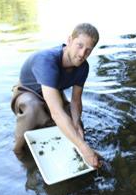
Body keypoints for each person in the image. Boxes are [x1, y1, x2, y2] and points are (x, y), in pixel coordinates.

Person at [11, 23, 102, 168]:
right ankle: (19, 154)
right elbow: (57, 112)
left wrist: (77, 122)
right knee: (34, 109)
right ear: (69, 40)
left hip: (53, 93)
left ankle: (73, 150)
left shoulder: (83, 67)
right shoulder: (47, 60)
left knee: (74, 123)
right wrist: (84, 148)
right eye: (79, 45)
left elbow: (76, 101)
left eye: (88, 50)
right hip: (28, 92)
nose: (81, 54)